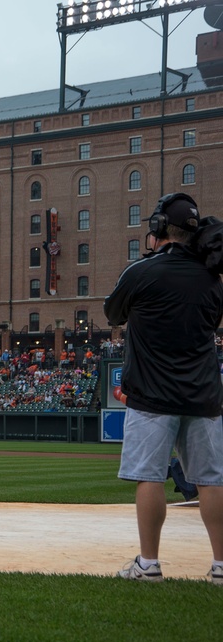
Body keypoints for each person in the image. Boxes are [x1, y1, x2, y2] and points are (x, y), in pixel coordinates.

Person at [103, 192, 223, 584]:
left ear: (158, 229)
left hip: (152, 395)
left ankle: (149, 563)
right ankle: (221, 565)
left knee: (150, 477)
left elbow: (112, 313)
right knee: (211, 480)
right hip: (203, 394)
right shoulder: (211, 279)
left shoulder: (142, 272)